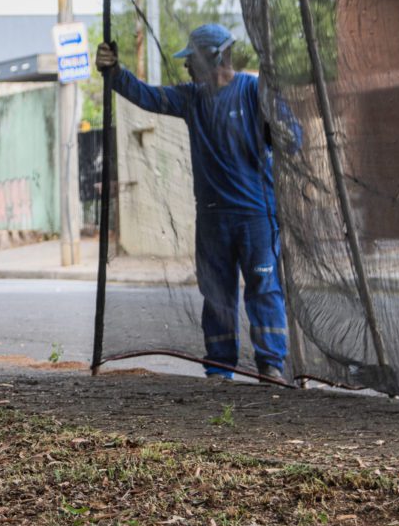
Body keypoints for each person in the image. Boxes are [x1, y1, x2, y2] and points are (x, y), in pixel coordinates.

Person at [95, 23, 299, 381]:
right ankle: (219, 370)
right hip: (212, 218)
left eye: (192, 60)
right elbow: (146, 96)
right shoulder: (191, 99)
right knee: (216, 295)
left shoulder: (254, 91)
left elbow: (291, 138)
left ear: (215, 58)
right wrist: (114, 73)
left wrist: (277, 128)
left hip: (256, 216)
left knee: (264, 290)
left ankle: (272, 367)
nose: (187, 67)